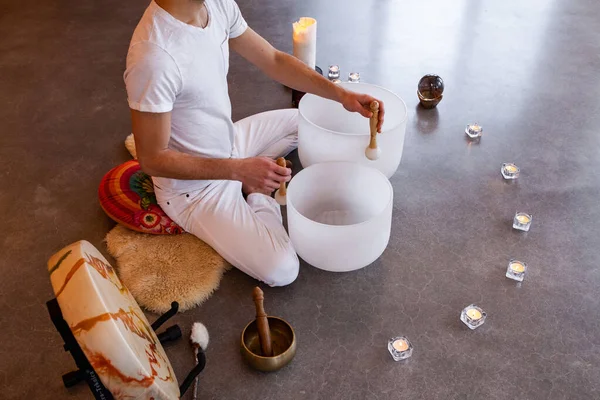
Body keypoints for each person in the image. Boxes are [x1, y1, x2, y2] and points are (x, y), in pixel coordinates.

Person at [124, 0, 385, 286]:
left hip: (231, 143)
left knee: (306, 123)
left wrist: (342, 95)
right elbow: (152, 159)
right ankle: (258, 194)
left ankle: (253, 175)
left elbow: (273, 60)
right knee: (282, 269)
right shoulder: (153, 56)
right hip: (194, 191)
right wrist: (239, 171)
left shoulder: (217, 5)